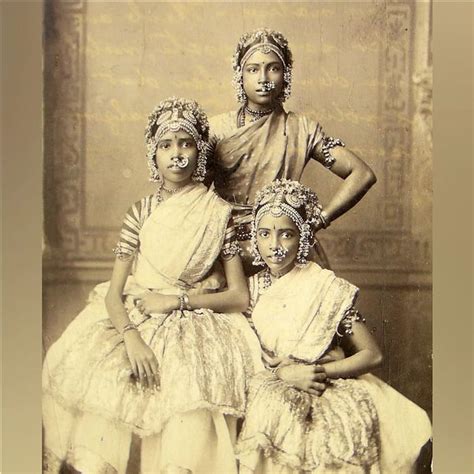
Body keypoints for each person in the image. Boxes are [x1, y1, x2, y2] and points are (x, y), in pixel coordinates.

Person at [42, 97, 263, 474]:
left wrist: (176, 301)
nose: (177, 154)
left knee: (186, 415)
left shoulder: (217, 214)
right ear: (153, 155)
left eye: (186, 143)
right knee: (101, 408)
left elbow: (239, 297)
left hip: (196, 320)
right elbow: (114, 293)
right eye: (166, 145)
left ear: (200, 151)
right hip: (134, 315)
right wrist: (131, 337)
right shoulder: (140, 212)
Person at [236, 179, 432, 473]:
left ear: (302, 238)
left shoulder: (326, 287)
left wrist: (316, 371)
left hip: (323, 383)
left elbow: (372, 355)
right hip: (270, 384)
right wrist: (283, 373)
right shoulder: (247, 292)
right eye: (265, 234)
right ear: (255, 237)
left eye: (286, 234)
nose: (274, 246)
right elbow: (245, 353)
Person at [209, 28, 377, 274]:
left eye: (273, 68)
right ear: (240, 76)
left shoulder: (301, 129)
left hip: (287, 253)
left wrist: (318, 220)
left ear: (285, 75)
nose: (263, 78)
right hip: (227, 253)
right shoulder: (216, 129)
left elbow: (362, 174)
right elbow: (192, 197)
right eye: (253, 69)